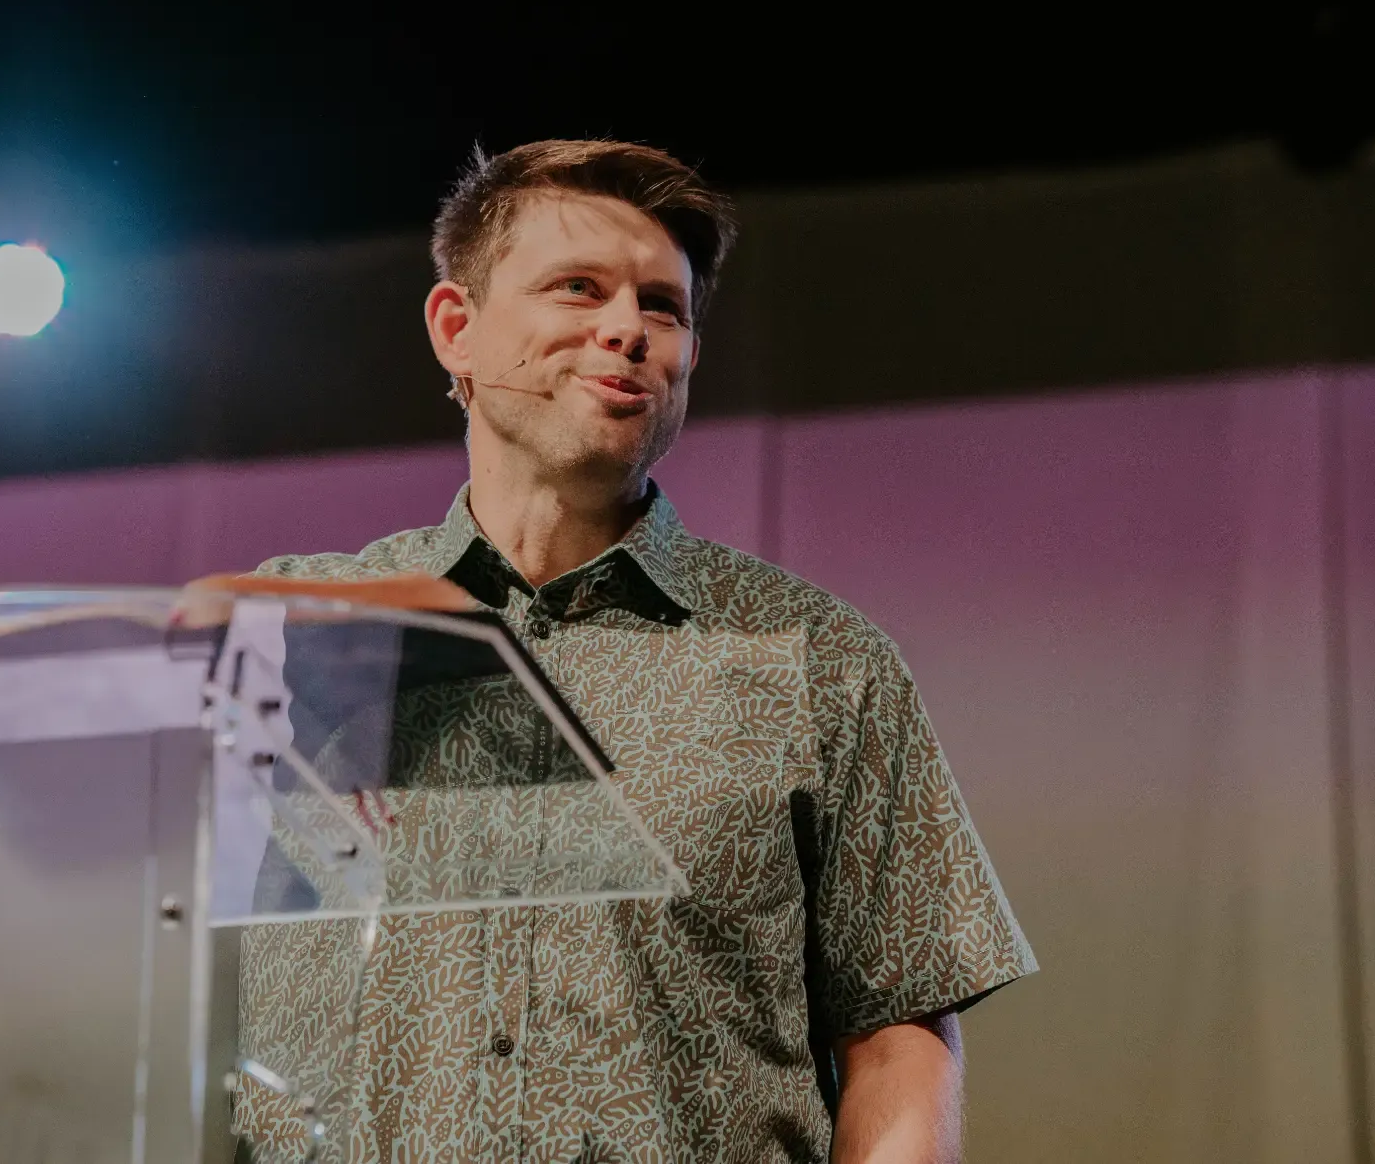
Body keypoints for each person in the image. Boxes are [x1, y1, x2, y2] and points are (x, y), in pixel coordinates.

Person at [227, 140, 1034, 1163]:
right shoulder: (298, 634)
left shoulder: (816, 660)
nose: (626, 329)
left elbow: (896, 1033)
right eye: (579, 287)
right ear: (456, 328)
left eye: (663, 307)